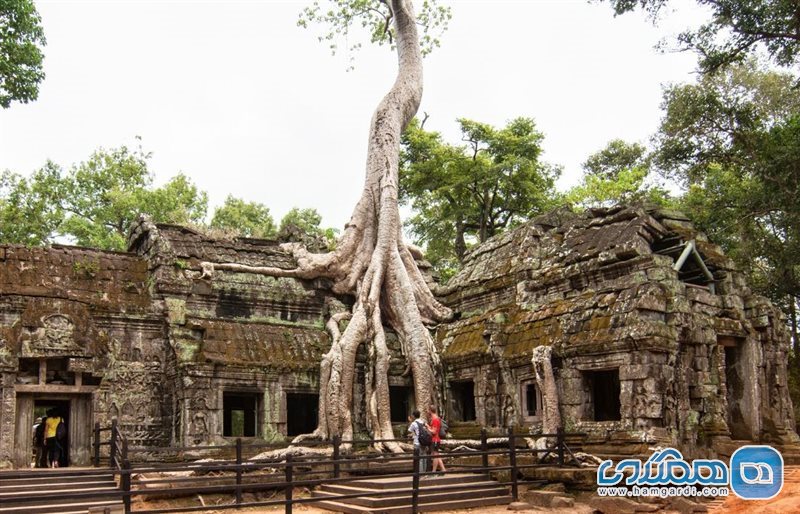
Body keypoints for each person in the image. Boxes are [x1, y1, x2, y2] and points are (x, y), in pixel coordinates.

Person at [427, 405, 446, 475]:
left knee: (435, 455)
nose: (427, 412)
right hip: (436, 439)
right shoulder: (436, 418)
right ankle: (443, 469)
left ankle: (433, 471)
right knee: (437, 455)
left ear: (430, 411)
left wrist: (427, 428)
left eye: (428, 410)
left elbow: (434, 432)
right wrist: (428, 426)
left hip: (435, 439)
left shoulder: (435, 419)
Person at [407, 410, 428, 474]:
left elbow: (409, 430)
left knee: (420, 458)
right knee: (424, 457)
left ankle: (420, 473)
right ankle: (424, 472)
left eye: (412, 415)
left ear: (413, 416)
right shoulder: (423, 421)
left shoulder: (414, 423)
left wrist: (410, 421)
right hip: (424, 441)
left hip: (417, 442)